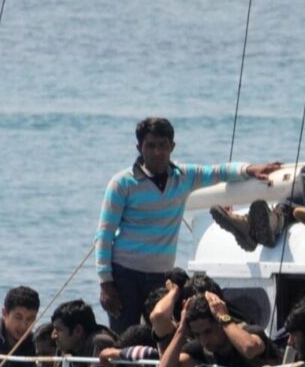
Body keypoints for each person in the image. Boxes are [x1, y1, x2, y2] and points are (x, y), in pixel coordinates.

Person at [96, 117, 280, 331]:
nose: (157, 152)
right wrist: (105, 283)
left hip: (161, 275)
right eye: (150, 146)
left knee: (162, 333)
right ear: (139, 147)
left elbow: (218, 172)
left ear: (172, 146)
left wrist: (249, 170)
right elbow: (104, 234)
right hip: (124, 274)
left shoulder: (183, 177)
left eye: (163, 145)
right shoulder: (122, 183)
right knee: (125, 335)